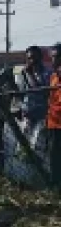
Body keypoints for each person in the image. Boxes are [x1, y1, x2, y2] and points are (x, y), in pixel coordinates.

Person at [19, 46, 51, 148]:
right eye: (29, 58)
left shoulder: (48, 73)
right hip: (28, 113)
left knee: (36, 143)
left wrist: (31, 76)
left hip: (43, 114)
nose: (31, 60)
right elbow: (21, 93)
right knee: (22, 144)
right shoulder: (23, 73)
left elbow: (44, 92)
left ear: (40, 57)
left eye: (34, 57)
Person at [47, 45, 61, 188]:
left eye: (56, 56)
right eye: (53, 57)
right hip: (54, 120)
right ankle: (54, 184)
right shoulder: (53, 76)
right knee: (54, 154)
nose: (54, 60)